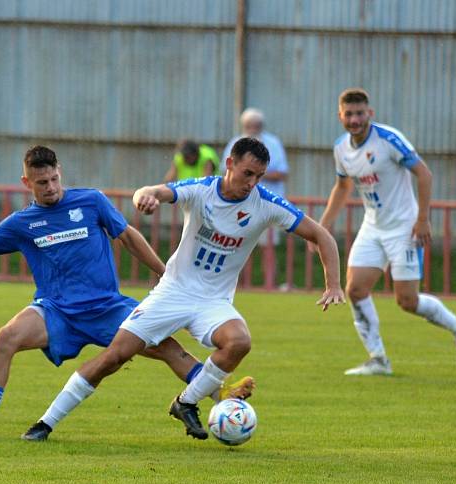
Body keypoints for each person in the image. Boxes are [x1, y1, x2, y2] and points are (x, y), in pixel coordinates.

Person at [0, 146, 253, 440]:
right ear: (27, 182)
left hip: (108, 308)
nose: (50, 187)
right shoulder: (22, 223)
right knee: (6, 336)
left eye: (54, 178)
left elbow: (128, 236)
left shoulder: (90, 201)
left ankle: (219, 391)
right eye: (42, 182)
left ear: (60, 172)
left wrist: (164, 273)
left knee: (168, 348)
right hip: (57, 312)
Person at [22, 137, 345, 442]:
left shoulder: (266, 204)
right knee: (114, 357)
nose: (252, 183)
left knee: (239, 341)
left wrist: (333, 284)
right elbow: (155, 191)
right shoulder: (201, 190)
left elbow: (322, 236)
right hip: (173, 292)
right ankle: (45, 423)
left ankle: (186, 402)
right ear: (229, 163)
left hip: (213, 301)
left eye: (258, 176)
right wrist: (144, 196)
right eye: (247, 173)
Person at [316, 87, 456, 376]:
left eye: (360, 113)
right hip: (373, 225)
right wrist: (323, 226)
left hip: (404, 226)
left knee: (407, 301)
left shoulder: (388, 139)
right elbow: (342, 187)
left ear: (370, 113)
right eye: (349, 114)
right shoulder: (341, 148)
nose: (355, 119)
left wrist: (423, 219)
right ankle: (378, 359)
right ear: (340, 116)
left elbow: (424, 173)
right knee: (354, 288)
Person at [222, 108, 290, 289]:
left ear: (261, 126)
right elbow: (225, 171)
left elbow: (282, 173)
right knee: (233, 246)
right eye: (248, 126)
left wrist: (253, 173)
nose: (252, 129)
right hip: (238, 204)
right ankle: (236, 285)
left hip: (266, 205)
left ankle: (270, 286)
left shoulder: (273, 143)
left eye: (256, 126)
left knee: (267, 248)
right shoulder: (235, 143)